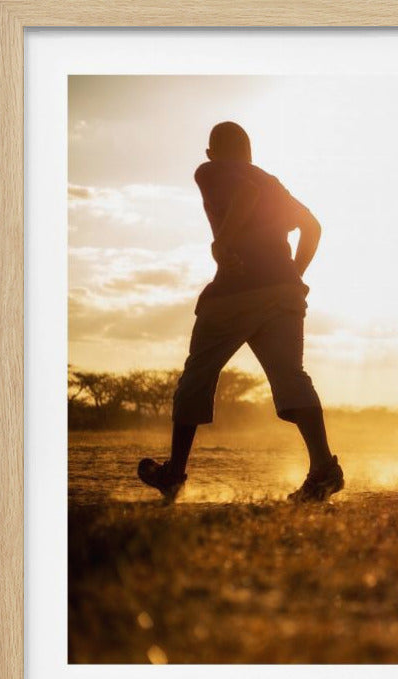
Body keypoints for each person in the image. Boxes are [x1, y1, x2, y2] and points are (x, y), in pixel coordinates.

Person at [137, 121, 344, 504]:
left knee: (197, 377)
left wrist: (223, 242)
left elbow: (245, 194)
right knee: (291, 379)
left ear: (211, 153)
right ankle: (323, 469)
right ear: (250, 152)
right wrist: (291, 274)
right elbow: (312, 227)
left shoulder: (210, 171)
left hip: (236, 292)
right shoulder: (271, 181)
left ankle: (173, 474)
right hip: (283, 293)